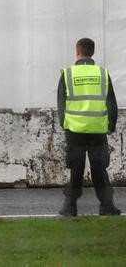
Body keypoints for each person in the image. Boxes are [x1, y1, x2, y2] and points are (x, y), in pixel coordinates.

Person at [57, 37, 120, 217]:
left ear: (77, 52)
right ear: (92, 52)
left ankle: (70, 207)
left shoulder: (68, 74)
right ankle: (107, 206)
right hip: (98, 129)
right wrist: (111, 125)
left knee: (76, 168)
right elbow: (111, 102)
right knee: (99, 167)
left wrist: (65, 124)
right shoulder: (102, 73)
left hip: (74, 130)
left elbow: (61, 102)